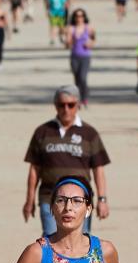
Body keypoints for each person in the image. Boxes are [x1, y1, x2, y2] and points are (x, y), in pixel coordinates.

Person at [23, 85, 111, 236]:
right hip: (50, 197)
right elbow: (34, 169)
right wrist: (29, 200)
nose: (66, 109)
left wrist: (102, 199)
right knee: (51, 241)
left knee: (81, 241)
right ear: (55, 106)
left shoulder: (89, 133)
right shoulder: (42, 132)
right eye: (61, 105)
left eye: (70, 105)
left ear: (78, 105)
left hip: (80, 198)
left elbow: (98, 169)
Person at [66, 8, 96, 105]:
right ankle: (78, 99)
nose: (79, 18)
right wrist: (68, 41)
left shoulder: (89, 28)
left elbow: (94, 40)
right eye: (77, 16)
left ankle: (85, 97)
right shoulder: (71, 29)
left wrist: (90, 44)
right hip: (74, 56)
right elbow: (67, 44)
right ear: (74, 17)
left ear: (84, 17)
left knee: (83, 77)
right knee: (77, 78)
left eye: (81, 16)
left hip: (85, 57)